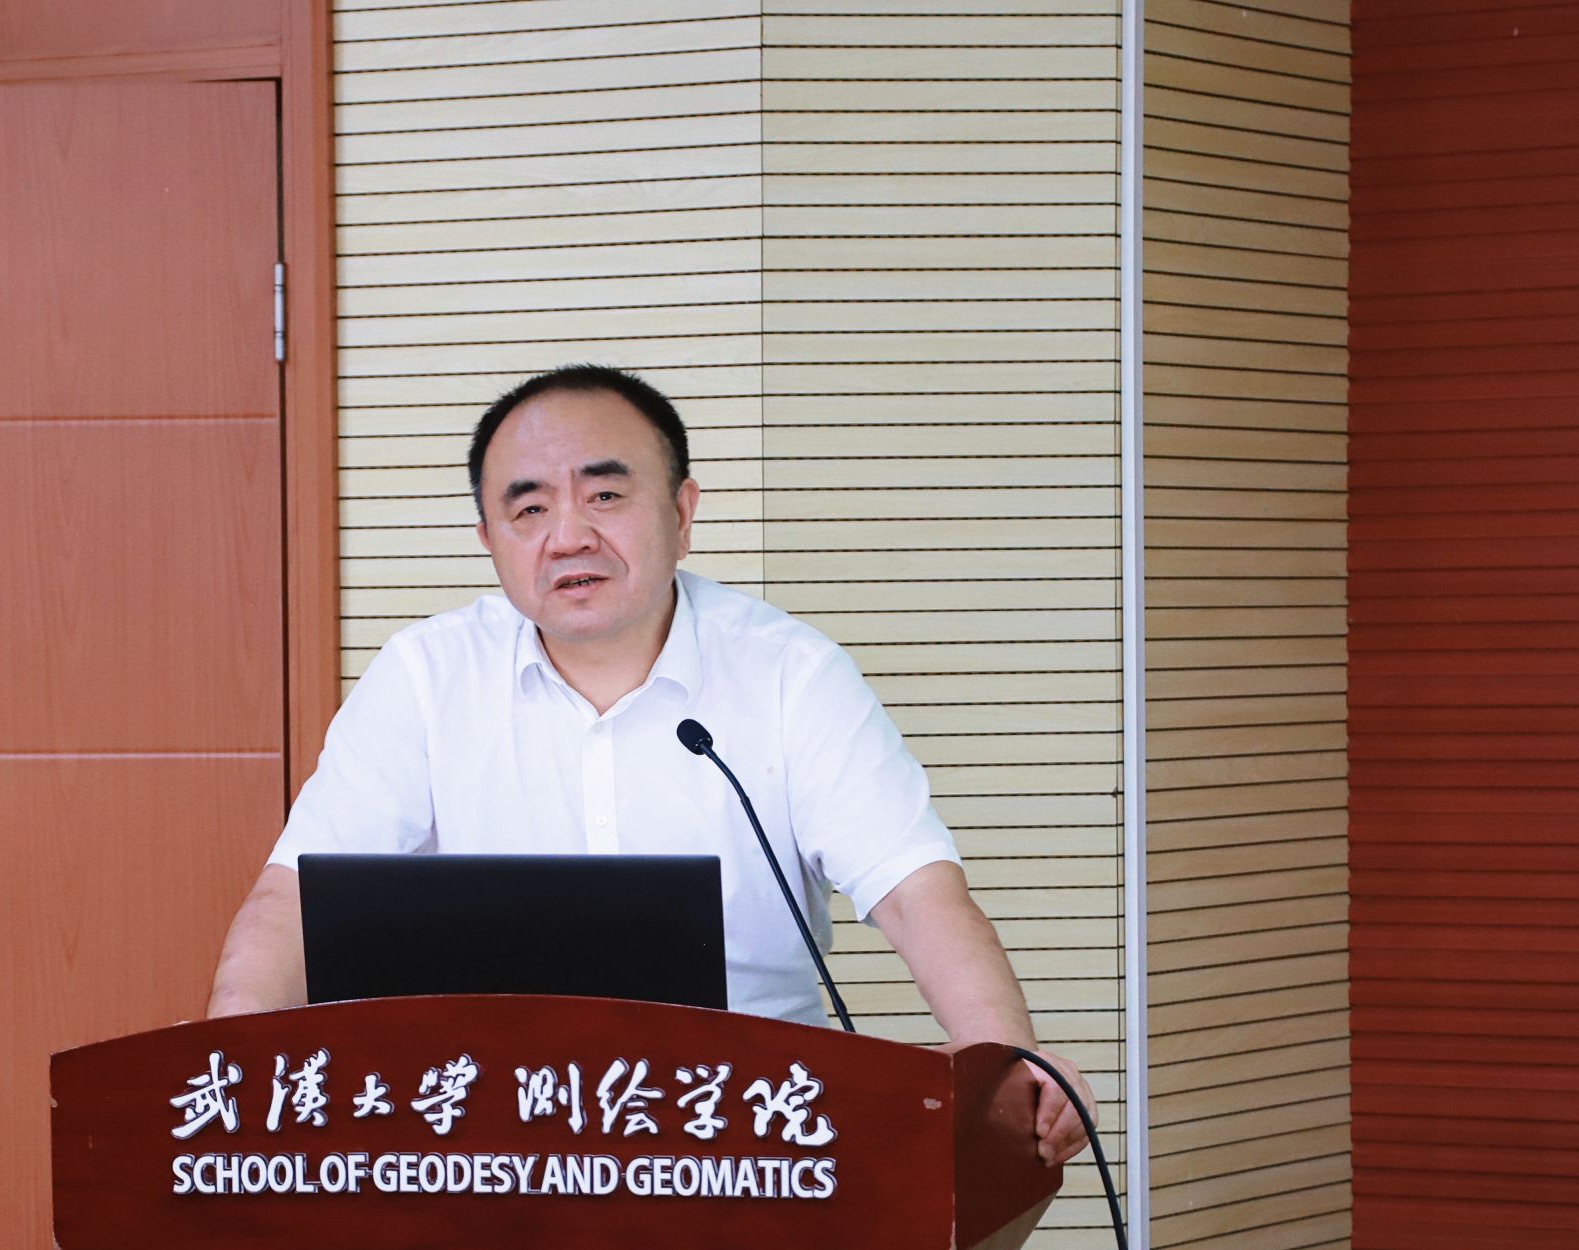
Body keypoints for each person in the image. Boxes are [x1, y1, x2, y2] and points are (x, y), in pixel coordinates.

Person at [208, 364, 1095, 1166]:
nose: (568, 536)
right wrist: (225, 1076)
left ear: (681, 512)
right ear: (489, 538)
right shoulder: (425, 677)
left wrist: (1005, 1058)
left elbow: (915, 891)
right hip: (492, 1137)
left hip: (752, 1133)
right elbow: (295, 900)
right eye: (529, 510)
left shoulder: (789, 674)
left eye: (605, 495)